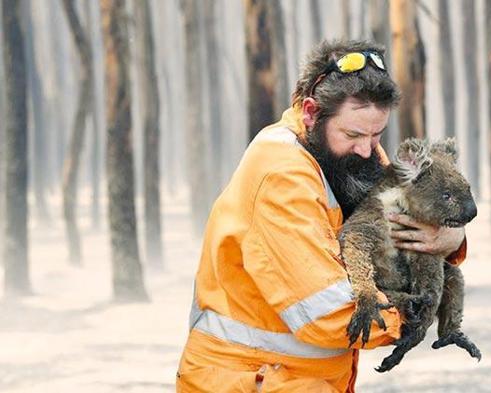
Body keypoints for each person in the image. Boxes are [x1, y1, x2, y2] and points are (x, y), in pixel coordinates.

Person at [175, 40, 467, 393]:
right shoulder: (282, 176)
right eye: (354, 134)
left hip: (298, 380)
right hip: (250, 381)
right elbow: (329, 313)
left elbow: (408, 220)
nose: (367, 148)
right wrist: (417, 311)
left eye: (377, 134)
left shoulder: (352, 154)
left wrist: (453, 240)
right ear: (312, 112)